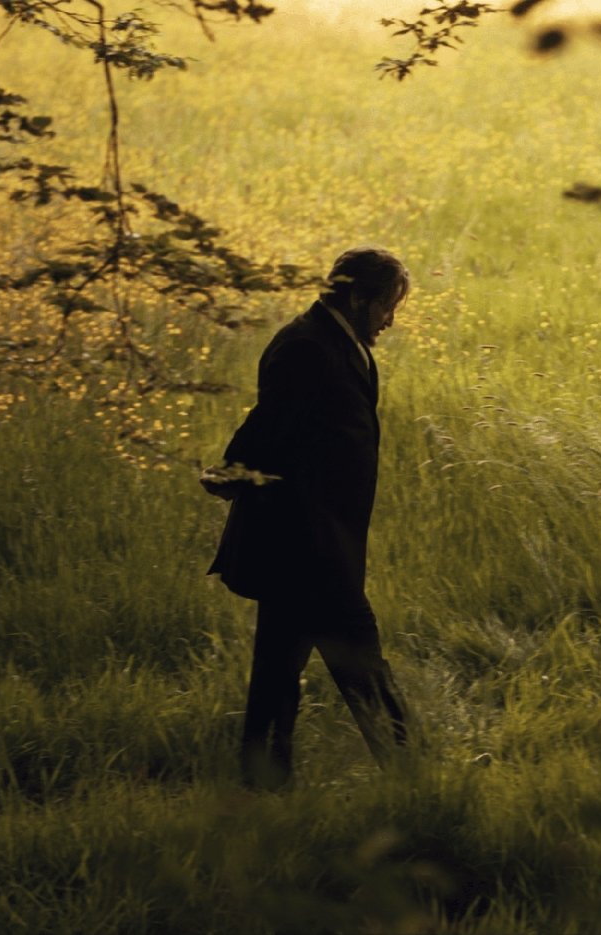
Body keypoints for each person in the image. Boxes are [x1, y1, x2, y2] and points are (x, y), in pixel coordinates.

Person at [201, 246, 413, 789]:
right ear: (360, 298)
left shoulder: (335, 343)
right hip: (308, 544)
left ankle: (262, 780)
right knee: (358, 655)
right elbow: (271, 425)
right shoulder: (305, 347)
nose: (390, 320)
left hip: (316, 539)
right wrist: (232, 472)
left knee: (276, 668)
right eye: (388, 306)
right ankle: (414, 775)